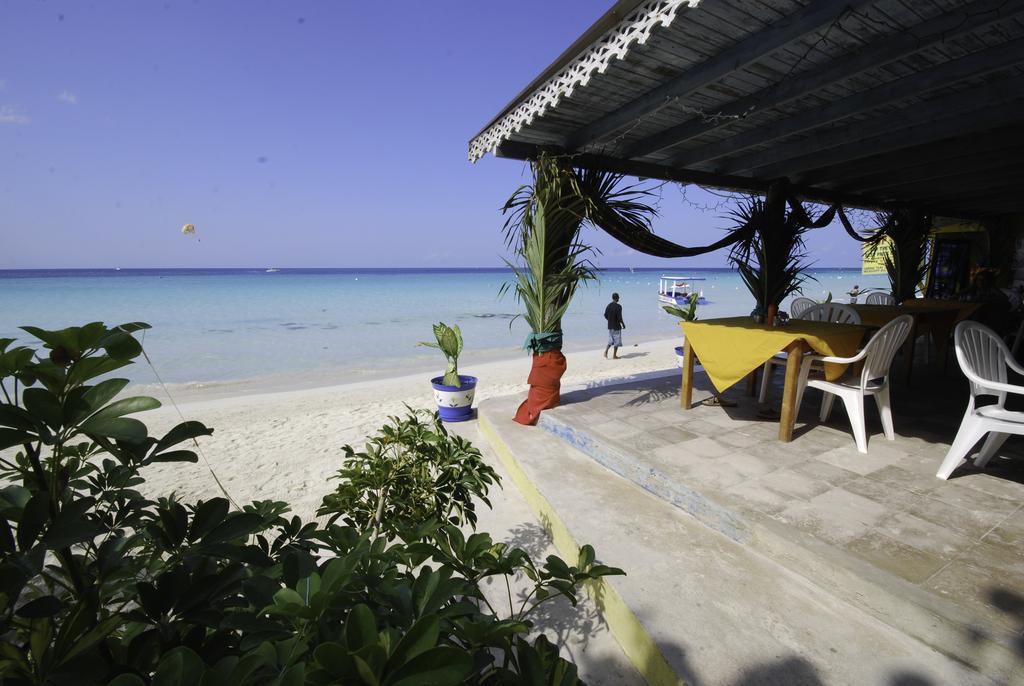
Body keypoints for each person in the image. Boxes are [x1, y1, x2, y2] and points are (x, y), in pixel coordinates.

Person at [604, 293, 624, 359]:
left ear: (612, 298)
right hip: (616, 326)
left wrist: (609, 320)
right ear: (617, 298)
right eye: (618, 297)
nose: (619, 299)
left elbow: (605, 315)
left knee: (611, 340)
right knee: (617, 341)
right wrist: (623, 324)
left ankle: (606, 351)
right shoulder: (619, 307)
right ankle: (614, 355)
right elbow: (619, 317)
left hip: (610, 325)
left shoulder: (608, 305)